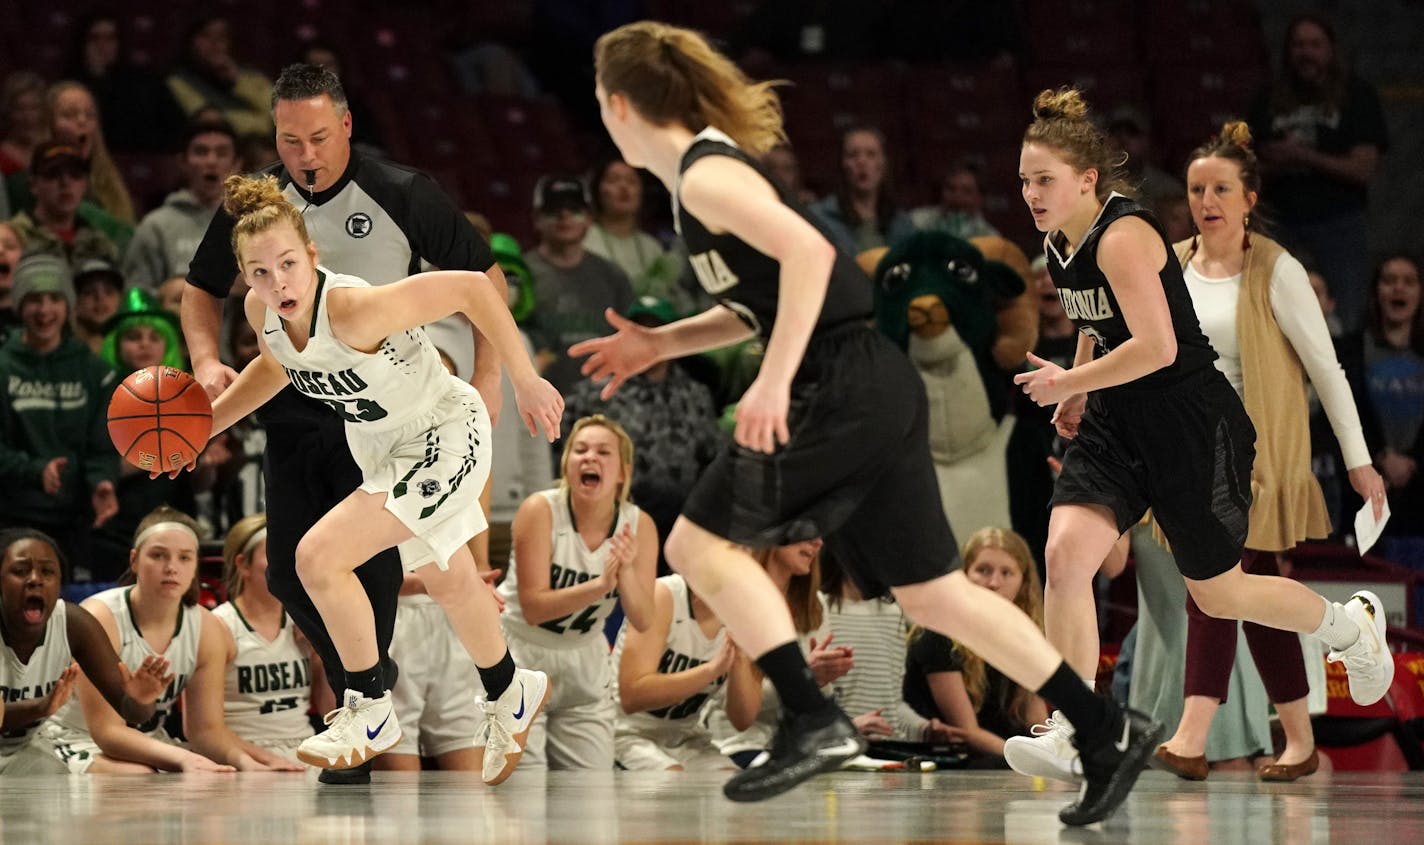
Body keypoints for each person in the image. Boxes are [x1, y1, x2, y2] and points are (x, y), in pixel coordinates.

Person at [582, 23, 1160, 824]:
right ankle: (1102, 728)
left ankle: (812, 719)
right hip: (870, 381)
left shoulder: (705, 178)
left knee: (695, 542)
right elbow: (763, 298)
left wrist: (774, 381)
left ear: (617, 105)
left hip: (842, 381)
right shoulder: (704, 172)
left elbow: (812, 260)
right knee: (936, 598)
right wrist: (663, 341)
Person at [1003, 88, 1394, 787]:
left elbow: (1154, 346)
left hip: (1192, 425)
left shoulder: (1127, 234)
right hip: (1118, 426)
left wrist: (1067, 383)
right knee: (1064, 555)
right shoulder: (1058, 241)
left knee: (1221, 594)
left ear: (1087, 180)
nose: (1031, 192)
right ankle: (1075, 727)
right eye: (1025, 180)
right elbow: (1100, 320)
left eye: (1044, 179)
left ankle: (1346, 626)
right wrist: (1084, 380)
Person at [183, 62, 512, 785]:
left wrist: (494, 375)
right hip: (302, 401)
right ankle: (438, 692)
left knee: (362, 563)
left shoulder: (401, 192)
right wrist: (207, 374)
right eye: (289, 139)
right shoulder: (259, 210)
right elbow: (203, 289)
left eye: (319, 137)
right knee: (297, 573)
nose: (304, 155)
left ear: (349, 126)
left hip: (392, 405)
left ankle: (367, 707)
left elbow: (481, 279)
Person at [1147, 121, 1385, 782]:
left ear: (1250, 196)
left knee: (1212, 585)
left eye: (1221, 187)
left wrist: (1360, 460)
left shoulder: (1276, 268)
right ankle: (1302, 739)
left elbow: (1327, 368)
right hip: (1189, 454)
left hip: (1257, 455)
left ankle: (1191, 736)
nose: (1206, 199)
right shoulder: (1169, 263)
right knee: (1244, 594)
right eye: (1196, 188)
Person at [37, 506, 302, 773]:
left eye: (184, 558)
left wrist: (252, 762)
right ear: (134, 560)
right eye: (158, 555)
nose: (171, 568)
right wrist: (185, 759)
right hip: (76, 738)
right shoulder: (101, 617)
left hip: (150, 742)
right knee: (142, 774)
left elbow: (206, 731)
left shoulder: (206, 627)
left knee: (219, 775)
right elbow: (106, 731)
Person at [502, 414, 656, 769]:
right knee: (523, 788)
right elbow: (534, 608)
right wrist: (601, 586)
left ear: (621, 472)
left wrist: (627, 573)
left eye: (604, 452)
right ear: (566, 463)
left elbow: (644, 619)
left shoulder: (639, 525)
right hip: (522, 654)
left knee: (593, 800)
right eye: (580, 450)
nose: (590, 458)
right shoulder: (539, 510)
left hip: (585, 659)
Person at [1247, 14, 1388, 334]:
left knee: (1345, 320)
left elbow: (1365, 168)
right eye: (1298, 45)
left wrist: (1302, 156)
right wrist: (1278, 163)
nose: (1305, 52)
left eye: (1314, 44)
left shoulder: (1357, 95)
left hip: (1339, 224)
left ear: (1331, 50)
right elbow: (1246, 172)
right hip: (1278, 222)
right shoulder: (1266, 99)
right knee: (1272, 318)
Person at [0, 527, 172, 774]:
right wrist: (40, 707)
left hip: (24, 749)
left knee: (52, 775)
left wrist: (141, 699)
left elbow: (132, 713)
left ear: (60, 584)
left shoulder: (74, 623)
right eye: (20, 571)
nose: (35, 579)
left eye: (47, 571)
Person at [0, 254, 118, 577]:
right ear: (19, 305)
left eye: (54, 299)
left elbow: (103, 444)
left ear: (68, 306)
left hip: (76, 521)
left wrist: (102, 483)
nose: (44, 310)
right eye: (34, 300)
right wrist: (35, 470)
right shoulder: (3, 367)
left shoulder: (95, 371)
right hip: (11, 517)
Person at [904, 527, 1047, 768]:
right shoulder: (937, 634)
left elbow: (1035, 717)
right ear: (963, 575)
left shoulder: (1020, 635)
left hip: (1001, 752)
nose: (993, 583)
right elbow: (966, 730)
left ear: (1022, 583)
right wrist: (1031, 759)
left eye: (1007, 573)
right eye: (983, 570)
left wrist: (1062, 753)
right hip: (949, 761)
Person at [705, 540, 847, 768]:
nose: (818, 541)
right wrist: (800, 680)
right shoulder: (730, 596)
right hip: (734, 746)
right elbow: (720, 698)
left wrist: (818, 681)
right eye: (806, 529)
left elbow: (815, 702)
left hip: (796, 744)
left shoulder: (814, 603)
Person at [212, 513, 318, 764]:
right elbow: (205, 729)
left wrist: (319, 653)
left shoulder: (304, 619)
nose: (285, 564)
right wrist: (266, 762)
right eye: (273, 555)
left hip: (306, 748)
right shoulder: (220, 625)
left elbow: (326, 710)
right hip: (243, 754)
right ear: (243, 565)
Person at [612, 571, 745, 771]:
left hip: (687, 737)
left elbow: (742, 720)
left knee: (728, 782)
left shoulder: (745, 611)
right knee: (670, 780)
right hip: (625, 731)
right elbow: (632, 697)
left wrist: (742, 666)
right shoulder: (664, 594)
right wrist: (711, 670)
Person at [526, 172, 635, 397]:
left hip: (604, 400)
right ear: (537, 218)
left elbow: (632, 342)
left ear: (589, 218)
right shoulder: (520, 274)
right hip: (539, 404)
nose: (565, 216)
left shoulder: (613, 276)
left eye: (574, 210)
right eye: (554, 210)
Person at [123, 117, 240, 292]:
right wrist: (168, 296)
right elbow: (135, 294)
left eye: (221, 153)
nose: (211, 161)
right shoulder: (155, 226)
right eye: (201, 152)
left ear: (236, 164)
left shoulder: (251, 222)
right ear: (183, 162)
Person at [808, 126, 914, 254]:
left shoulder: (901, 222)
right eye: (853, 155)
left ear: (883, 163)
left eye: (871, 154)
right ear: (843, 164)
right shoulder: (819, 218)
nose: (862, 162)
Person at [166, 16, 275, 139]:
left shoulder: (250, 76)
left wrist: (237, 80)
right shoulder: (179, 80)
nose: (214, 43)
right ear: (190, 41)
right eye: (206, 36)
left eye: (221, 37)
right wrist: (265, 123)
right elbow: (211, 120)